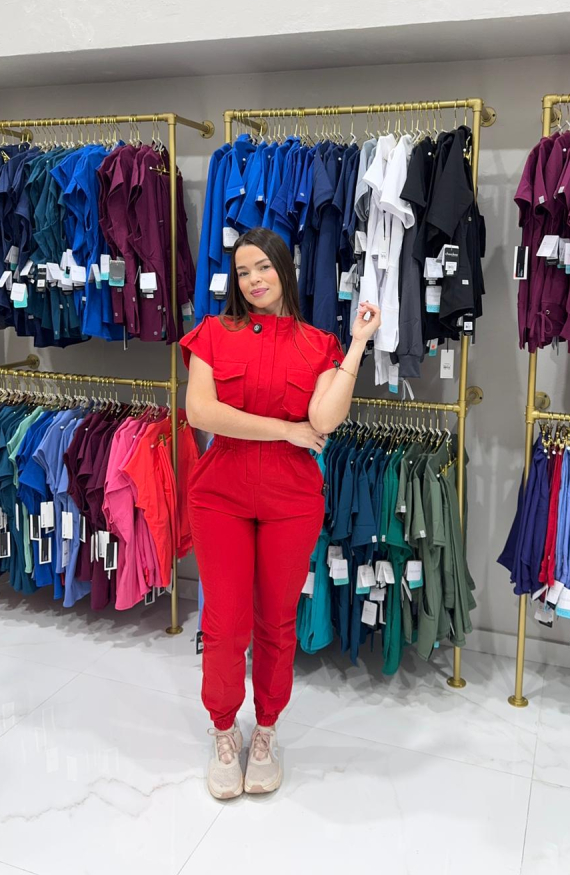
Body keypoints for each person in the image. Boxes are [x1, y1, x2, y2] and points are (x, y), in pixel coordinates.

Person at [181, 226, 381, 799]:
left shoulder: (318, 344)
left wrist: (357, 345)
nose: (253, 280)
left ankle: (265, 731)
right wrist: (283, 431)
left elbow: (324, 420)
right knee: (225, 624)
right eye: (243, 272)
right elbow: (201, 412)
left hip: (291, 501)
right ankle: (225, 730)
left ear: (283, 270)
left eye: (263, 267)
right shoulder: (213, 334)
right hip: (220, 495)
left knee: (276, 621)